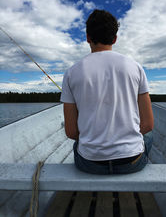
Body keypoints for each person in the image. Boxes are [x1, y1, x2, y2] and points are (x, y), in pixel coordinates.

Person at [60, 9, 154, 174]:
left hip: (90, 164)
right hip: (131, 163)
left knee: (78, 145)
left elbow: (72, 132)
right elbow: (147, 124)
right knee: (149, 138)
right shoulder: (136, 67)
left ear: (88, 37)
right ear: (115, 39)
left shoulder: (71, 72)